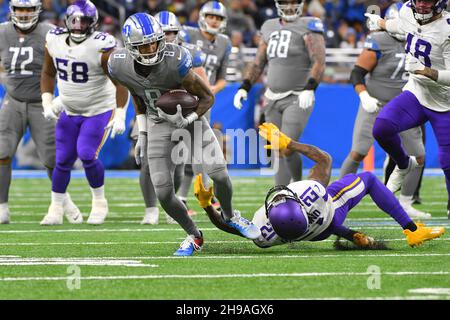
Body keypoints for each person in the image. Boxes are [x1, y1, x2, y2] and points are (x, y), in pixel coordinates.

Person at [107, 13, 260, 256]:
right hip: (157, 121)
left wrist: (187, 119)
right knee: (164, 192)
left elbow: (207, 97)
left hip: (189, 117)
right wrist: (144, 131)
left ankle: (231, 216)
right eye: (142, 45)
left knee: (219, 173)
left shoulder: (175, 59)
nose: (150, 49)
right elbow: (137, 94)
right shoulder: (118, 64)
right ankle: (194, 235)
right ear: (130, 47)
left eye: (154, 42)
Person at [194, 123, 445, 248]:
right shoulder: (310, 193)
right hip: (329, 217)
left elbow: (230, 226)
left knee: (333, 226)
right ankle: (412, 230)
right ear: (297, 203)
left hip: (317, 234)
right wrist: (289, 143)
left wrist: (207, 206)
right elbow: (324, 158)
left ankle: (349, 235)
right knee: (368, 180)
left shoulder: (264, 236)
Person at [40, 0, 129, 225]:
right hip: (69, 110)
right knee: (62, 160)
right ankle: (56, 207)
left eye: (84, 21)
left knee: (87, 154)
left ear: (94, 23)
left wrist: (119, 114)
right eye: (74, 21)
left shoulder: (103, 46)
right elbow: (48, 72)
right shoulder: (54, 39)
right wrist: (47, 100)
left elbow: (121, 82)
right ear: (66, 21)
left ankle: (99, 203)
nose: (78, 26)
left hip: (98, 109)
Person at [340, 2, 429, 219]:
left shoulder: (420, 40)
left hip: (404, 105)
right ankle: (337, 197)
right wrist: (364, 96)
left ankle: (406, 203)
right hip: (376, 103)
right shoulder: (379, 40)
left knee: (418, 157)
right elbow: (357, 74)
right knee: (358, 152)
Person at [366, 0, 450, 219]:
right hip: (418, 92)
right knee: (382, 128)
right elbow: (400, 26)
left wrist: (429, 72)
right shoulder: (407, 11)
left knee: (447, 161)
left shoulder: (447, 28)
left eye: (427, 0)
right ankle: (404, 165)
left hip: (446, 102)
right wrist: (380, 22)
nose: (422, 4)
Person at [0, 0, 79, 224]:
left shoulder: (50, 33)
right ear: (12, 11)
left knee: (52, 159)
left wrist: (61, 97)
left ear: (37, 11)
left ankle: (64, 202)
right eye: (20, 10)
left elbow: (70, 63)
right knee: (2, 153)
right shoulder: (2, 31)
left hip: (41, 102)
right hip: (12, 100)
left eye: (28, 9)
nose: (24, 15)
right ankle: (2, 207)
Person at [233, 0, 326, 187]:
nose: (290, 7)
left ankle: (298, 186)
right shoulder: (269, 26)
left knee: (287, 146)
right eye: (286, 2)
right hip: (272, 97)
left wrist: (310, 88)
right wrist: (244, 86)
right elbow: (259, 61)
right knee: (277, 148)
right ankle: (280, 192)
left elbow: (319, 61)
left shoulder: (309, 24)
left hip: (297, 96)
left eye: (294, 2)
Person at [135, 10, 208, 225]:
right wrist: (140, 126)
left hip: (177, 115)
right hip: (150, 112)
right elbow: (133, 90)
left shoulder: (186, 54)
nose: (167, 37)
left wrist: (189, 111)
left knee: (175, 163)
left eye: (171, 32)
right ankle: (150, 209)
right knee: (148, 164)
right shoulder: (138, 54)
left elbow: (203, 89)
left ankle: (171, 205)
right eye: (163, 32)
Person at [177, 1, 232, 214]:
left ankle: (197, 195)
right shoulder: (187, 34)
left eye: (218, 18)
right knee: (180, 150)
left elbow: (223, 79)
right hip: (180, 98)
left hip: (202, 102)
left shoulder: (224, 43)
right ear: (202, 17)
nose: (214, 21)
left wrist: (207, 92)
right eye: (211, 16)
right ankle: (178, 197)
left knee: (199, 152)